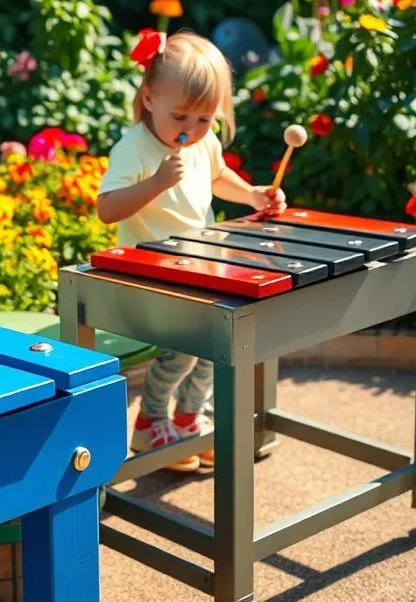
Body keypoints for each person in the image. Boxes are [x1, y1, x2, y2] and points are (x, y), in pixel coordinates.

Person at [96, 31, 286, 472]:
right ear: (148, 99)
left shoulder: (204, 142)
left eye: (205, 119)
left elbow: (217, 178)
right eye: (180, 115)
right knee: (183, 351)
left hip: (198, 266)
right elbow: (108, 209)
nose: (192, 129)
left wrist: (255, 195)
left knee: (216, 348)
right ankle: (149, 422)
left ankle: (187, 418)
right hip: (150, 275)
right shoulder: (135, 148)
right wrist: (156, 182)